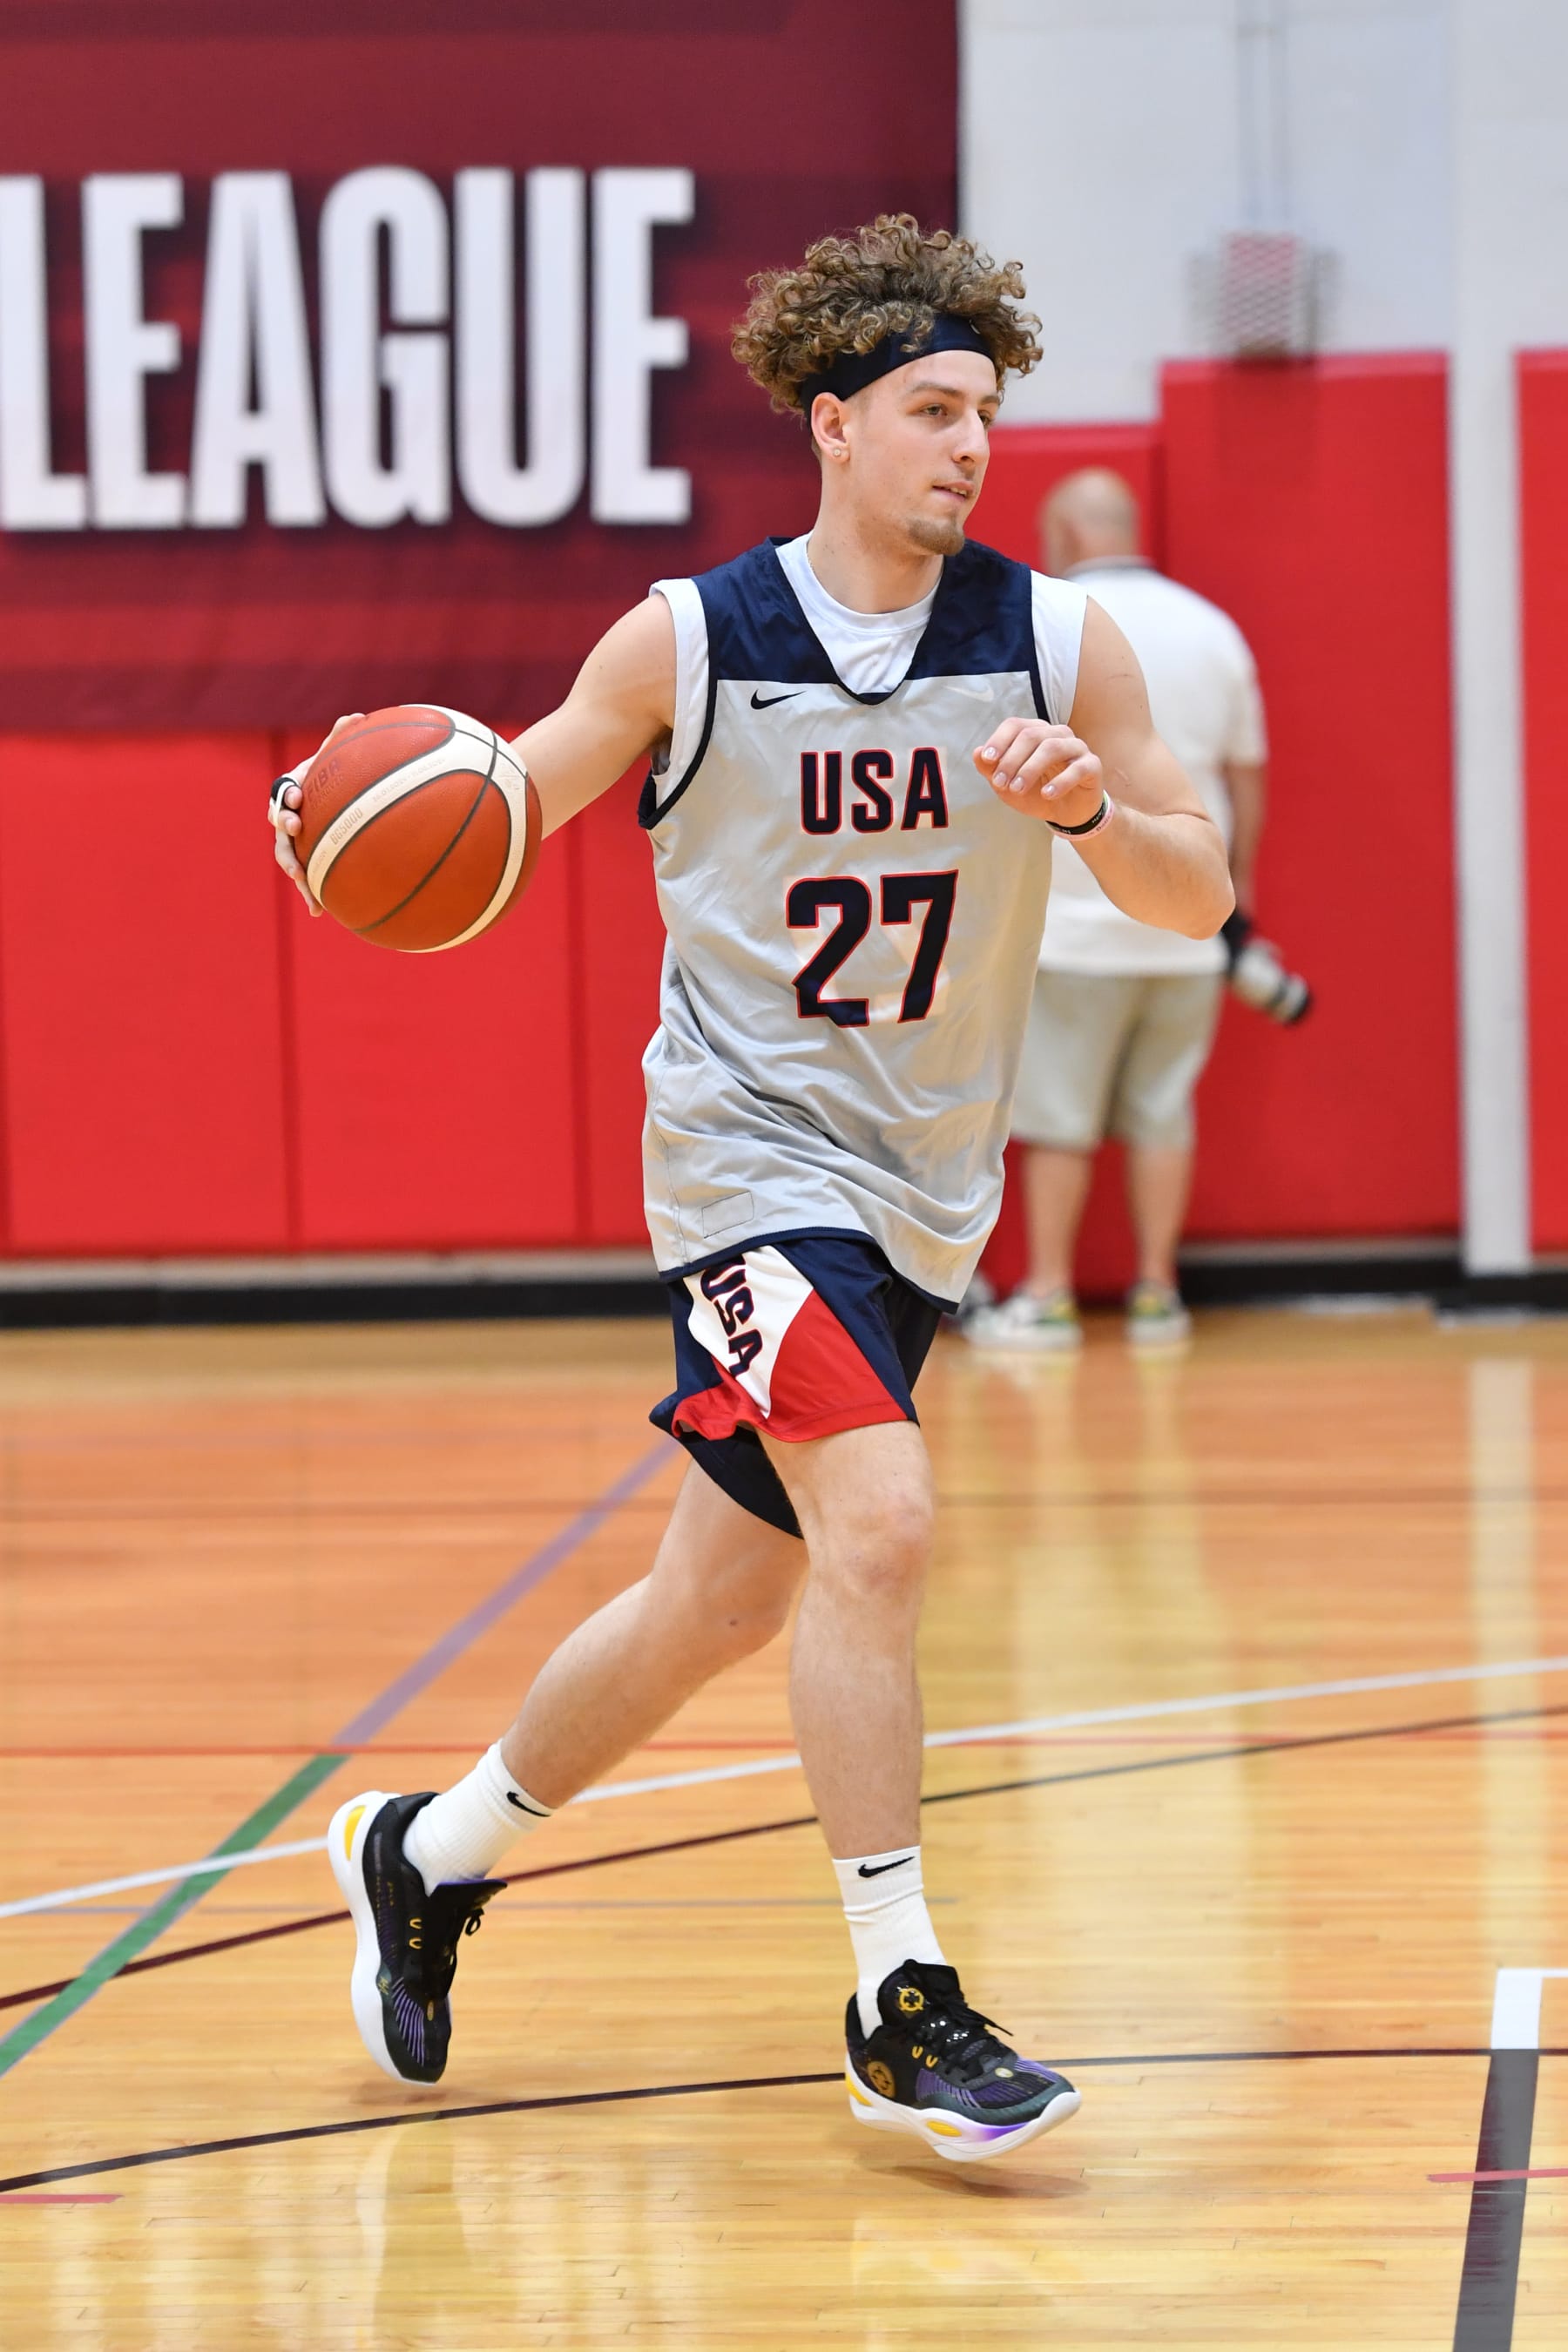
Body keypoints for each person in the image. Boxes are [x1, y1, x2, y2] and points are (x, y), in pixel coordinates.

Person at [270, 220, 1232, 2165]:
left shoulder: (1056, 641)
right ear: (834, 425)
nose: (971, 448)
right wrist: (344, 819)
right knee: (876, 1526)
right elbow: (505, 805)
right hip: (746, 1169)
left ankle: (427, 1854)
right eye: (933, 414)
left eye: (986, 414)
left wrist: (1087, 812)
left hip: (925, 1199)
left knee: (723, 1600)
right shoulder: (690, 640)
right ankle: (902, 1995)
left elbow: (1197, 889)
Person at [965, 468, 1266, 1353]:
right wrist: (1233, 902)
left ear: (1062, 530)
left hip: (1072, 926)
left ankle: (1051, 1295)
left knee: (1059, 1117)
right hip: (1188, 932)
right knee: (1163, 1113)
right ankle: (1157, 1295)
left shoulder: (1047, 624)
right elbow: (1247, 782)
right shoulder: (1216, 630)